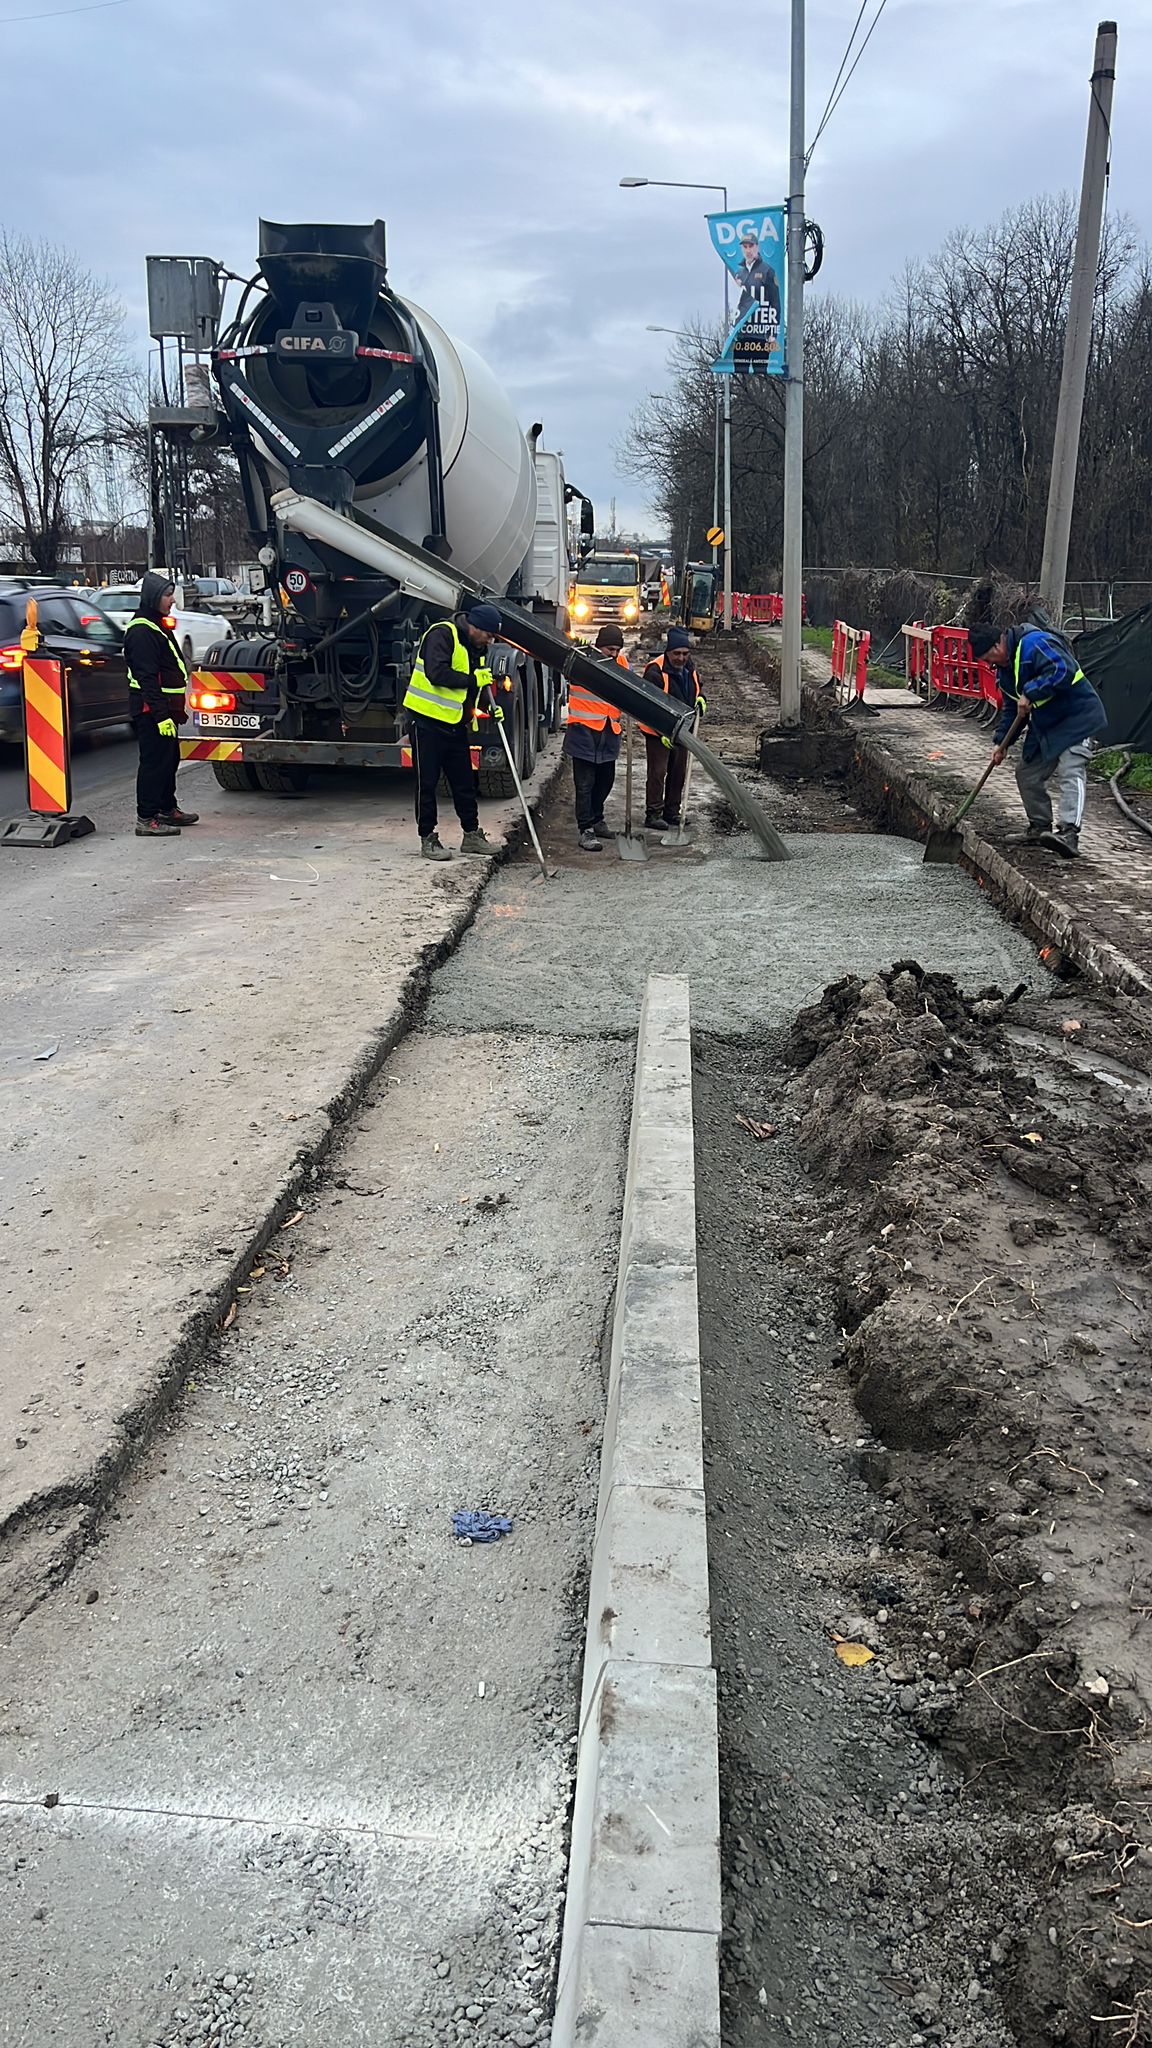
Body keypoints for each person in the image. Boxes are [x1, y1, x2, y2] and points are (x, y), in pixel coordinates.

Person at [970, 621, 1107, 859]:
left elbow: (1062, 670)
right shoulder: (1004, 671)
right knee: (1027, 773)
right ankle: (1040, 827)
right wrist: (1001, 743)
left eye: (988, 657)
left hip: (1077, 718)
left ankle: (1069, 833)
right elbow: (1013, 711)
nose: (989, 663)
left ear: (998, 644)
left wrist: (1031, 691)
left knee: (1071, 769)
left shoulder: (1035, 644)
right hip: (1047, 724)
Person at [402, 602, 503, 860]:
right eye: (488, 635)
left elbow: (473, 687)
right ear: (474, 626)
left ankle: (471, 835)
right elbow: (437, 673)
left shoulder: (476, 647)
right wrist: (473, 679)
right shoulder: (442, 634)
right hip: (425, 722)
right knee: (427, 783)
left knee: (464, 782)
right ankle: (428, 838)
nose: (490, 641)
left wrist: (487, 708)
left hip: (454, 723)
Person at [124, 571, 198, 837]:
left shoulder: (155, 624)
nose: (172, 600)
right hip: (152, 711)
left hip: (165, 709)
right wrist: (160, 716)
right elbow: (147, 679)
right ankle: (146, 818)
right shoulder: (142, 631)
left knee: (169, 760)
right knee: (154, 763)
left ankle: (167, 808)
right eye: (168, 595)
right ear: (153, 597)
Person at [564, 624, 625, 851]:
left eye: (617, 649)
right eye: (610, 649)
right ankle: (586, 829)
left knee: (605, 781)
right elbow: (567, 671)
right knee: (584, 785)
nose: (614, 654)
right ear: (599, 647)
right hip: (583, 732)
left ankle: (597, 819)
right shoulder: (583, 661)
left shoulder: (621, 663)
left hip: (609, 732)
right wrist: (575, 650)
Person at [641, 627, 706, 831]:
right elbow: (647, 707)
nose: (681, 658)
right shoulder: (655, 672)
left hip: (682, 729)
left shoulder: (690, 668)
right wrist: (661, 733)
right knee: (658, 772)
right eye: (677, 653)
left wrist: (701, 699)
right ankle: (653, 814)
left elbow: (697, 688)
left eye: (685, 653)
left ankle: (672, 812)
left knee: (678, 772)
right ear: (668, 652)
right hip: (658, 731)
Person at [733, 231, 782, 325]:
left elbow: (775, 303)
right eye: (745, 247)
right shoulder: (739, 274)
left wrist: (773, 328)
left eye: (751, 246)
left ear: (757, 247)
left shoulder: (767, 271)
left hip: (762, 327)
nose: (748, 250)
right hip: (743, 328)